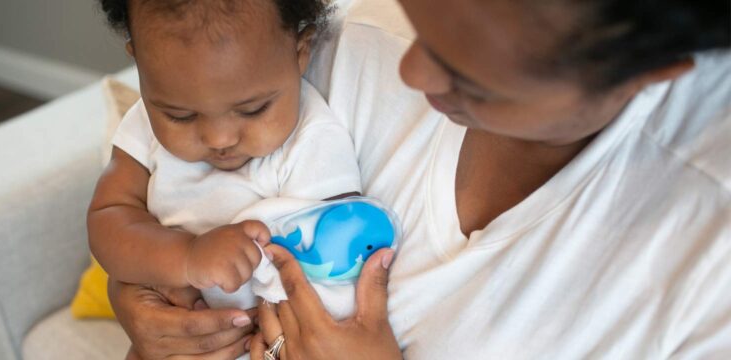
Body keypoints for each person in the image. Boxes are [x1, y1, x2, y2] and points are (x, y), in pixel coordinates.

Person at [109, 0, 731, 359]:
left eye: (474, 72)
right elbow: (158, 202)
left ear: (646, 70)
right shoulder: (321, 36)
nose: (414, 72)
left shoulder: (704, 268)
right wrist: (147, 293)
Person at [88, 0, 364, 357]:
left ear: (299, 52)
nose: (219, 140)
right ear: (138, 61)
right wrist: (185, 256)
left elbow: (333, 270)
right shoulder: (143, 126)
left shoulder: (314, 142)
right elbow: (108, 219)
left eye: (252, 109)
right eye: (180, 116)